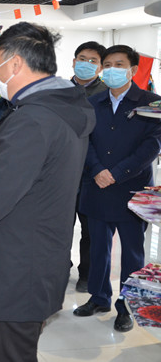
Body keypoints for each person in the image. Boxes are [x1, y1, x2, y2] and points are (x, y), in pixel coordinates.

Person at [0, 22, 95, 362]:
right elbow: (40, 176)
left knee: (9, 354)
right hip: (40, 256)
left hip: (16, 268)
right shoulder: (64, 109)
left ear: (14, 64)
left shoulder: (32, 119)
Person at [75, 44, 161, 333]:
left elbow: (152, 146)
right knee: (98, 248)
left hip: (133, 191)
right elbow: (84, 140)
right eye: (108, 65)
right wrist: (97, 170)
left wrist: (116, 173)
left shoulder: (151, 102)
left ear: (133, 70)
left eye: (119, 64)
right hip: (96, 186)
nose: (112, 70)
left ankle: (126, 307)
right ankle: (98, 298)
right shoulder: (93, 102)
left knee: (132, 254)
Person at [70, 41, 108, 293]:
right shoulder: (59, 90)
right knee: (58, 225)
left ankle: (87, 274)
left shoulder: (107, 93)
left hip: (92, 172)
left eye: (93, 61)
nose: (86, 64)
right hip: (61, 170)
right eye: (82, 59)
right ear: (73, 61)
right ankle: (58, 268)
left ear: (101, 66)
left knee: (91, 229)